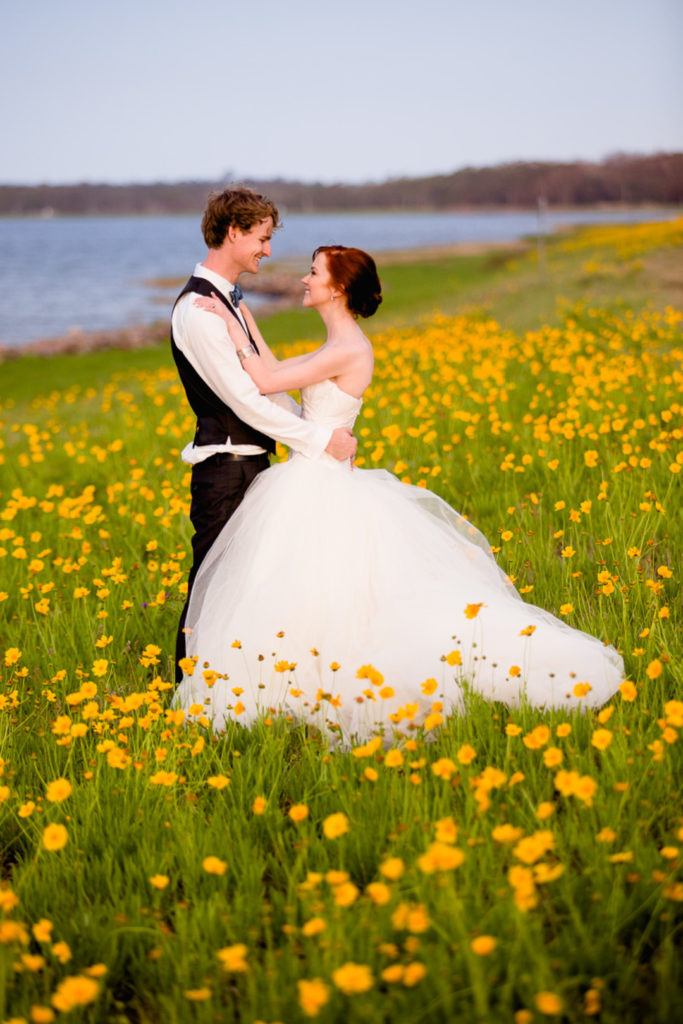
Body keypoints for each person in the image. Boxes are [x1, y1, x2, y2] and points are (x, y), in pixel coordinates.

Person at [174, 245, 624, 744]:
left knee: (320, 587)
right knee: (311, 586)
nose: (304, 279)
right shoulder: (337, 344)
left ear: (338, 288)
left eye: (313, 272)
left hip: (318, 479)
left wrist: (230, 323)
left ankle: (315, 682)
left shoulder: (349, 348)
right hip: (316, 471)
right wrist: (244, 315)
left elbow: (265, 379)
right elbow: (278, 368)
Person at [170, 188, 357, 684]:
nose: (268, 251)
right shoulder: (197, 311)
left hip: (256, 467)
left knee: (250, 587)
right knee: (211, 584)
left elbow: (267, 388)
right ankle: (188, 690)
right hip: (224, 470)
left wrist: (317, 433)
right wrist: (318, 441)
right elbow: (244, 402)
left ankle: (242, 685)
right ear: (233, 233)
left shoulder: (232, 305)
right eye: (262, 238)